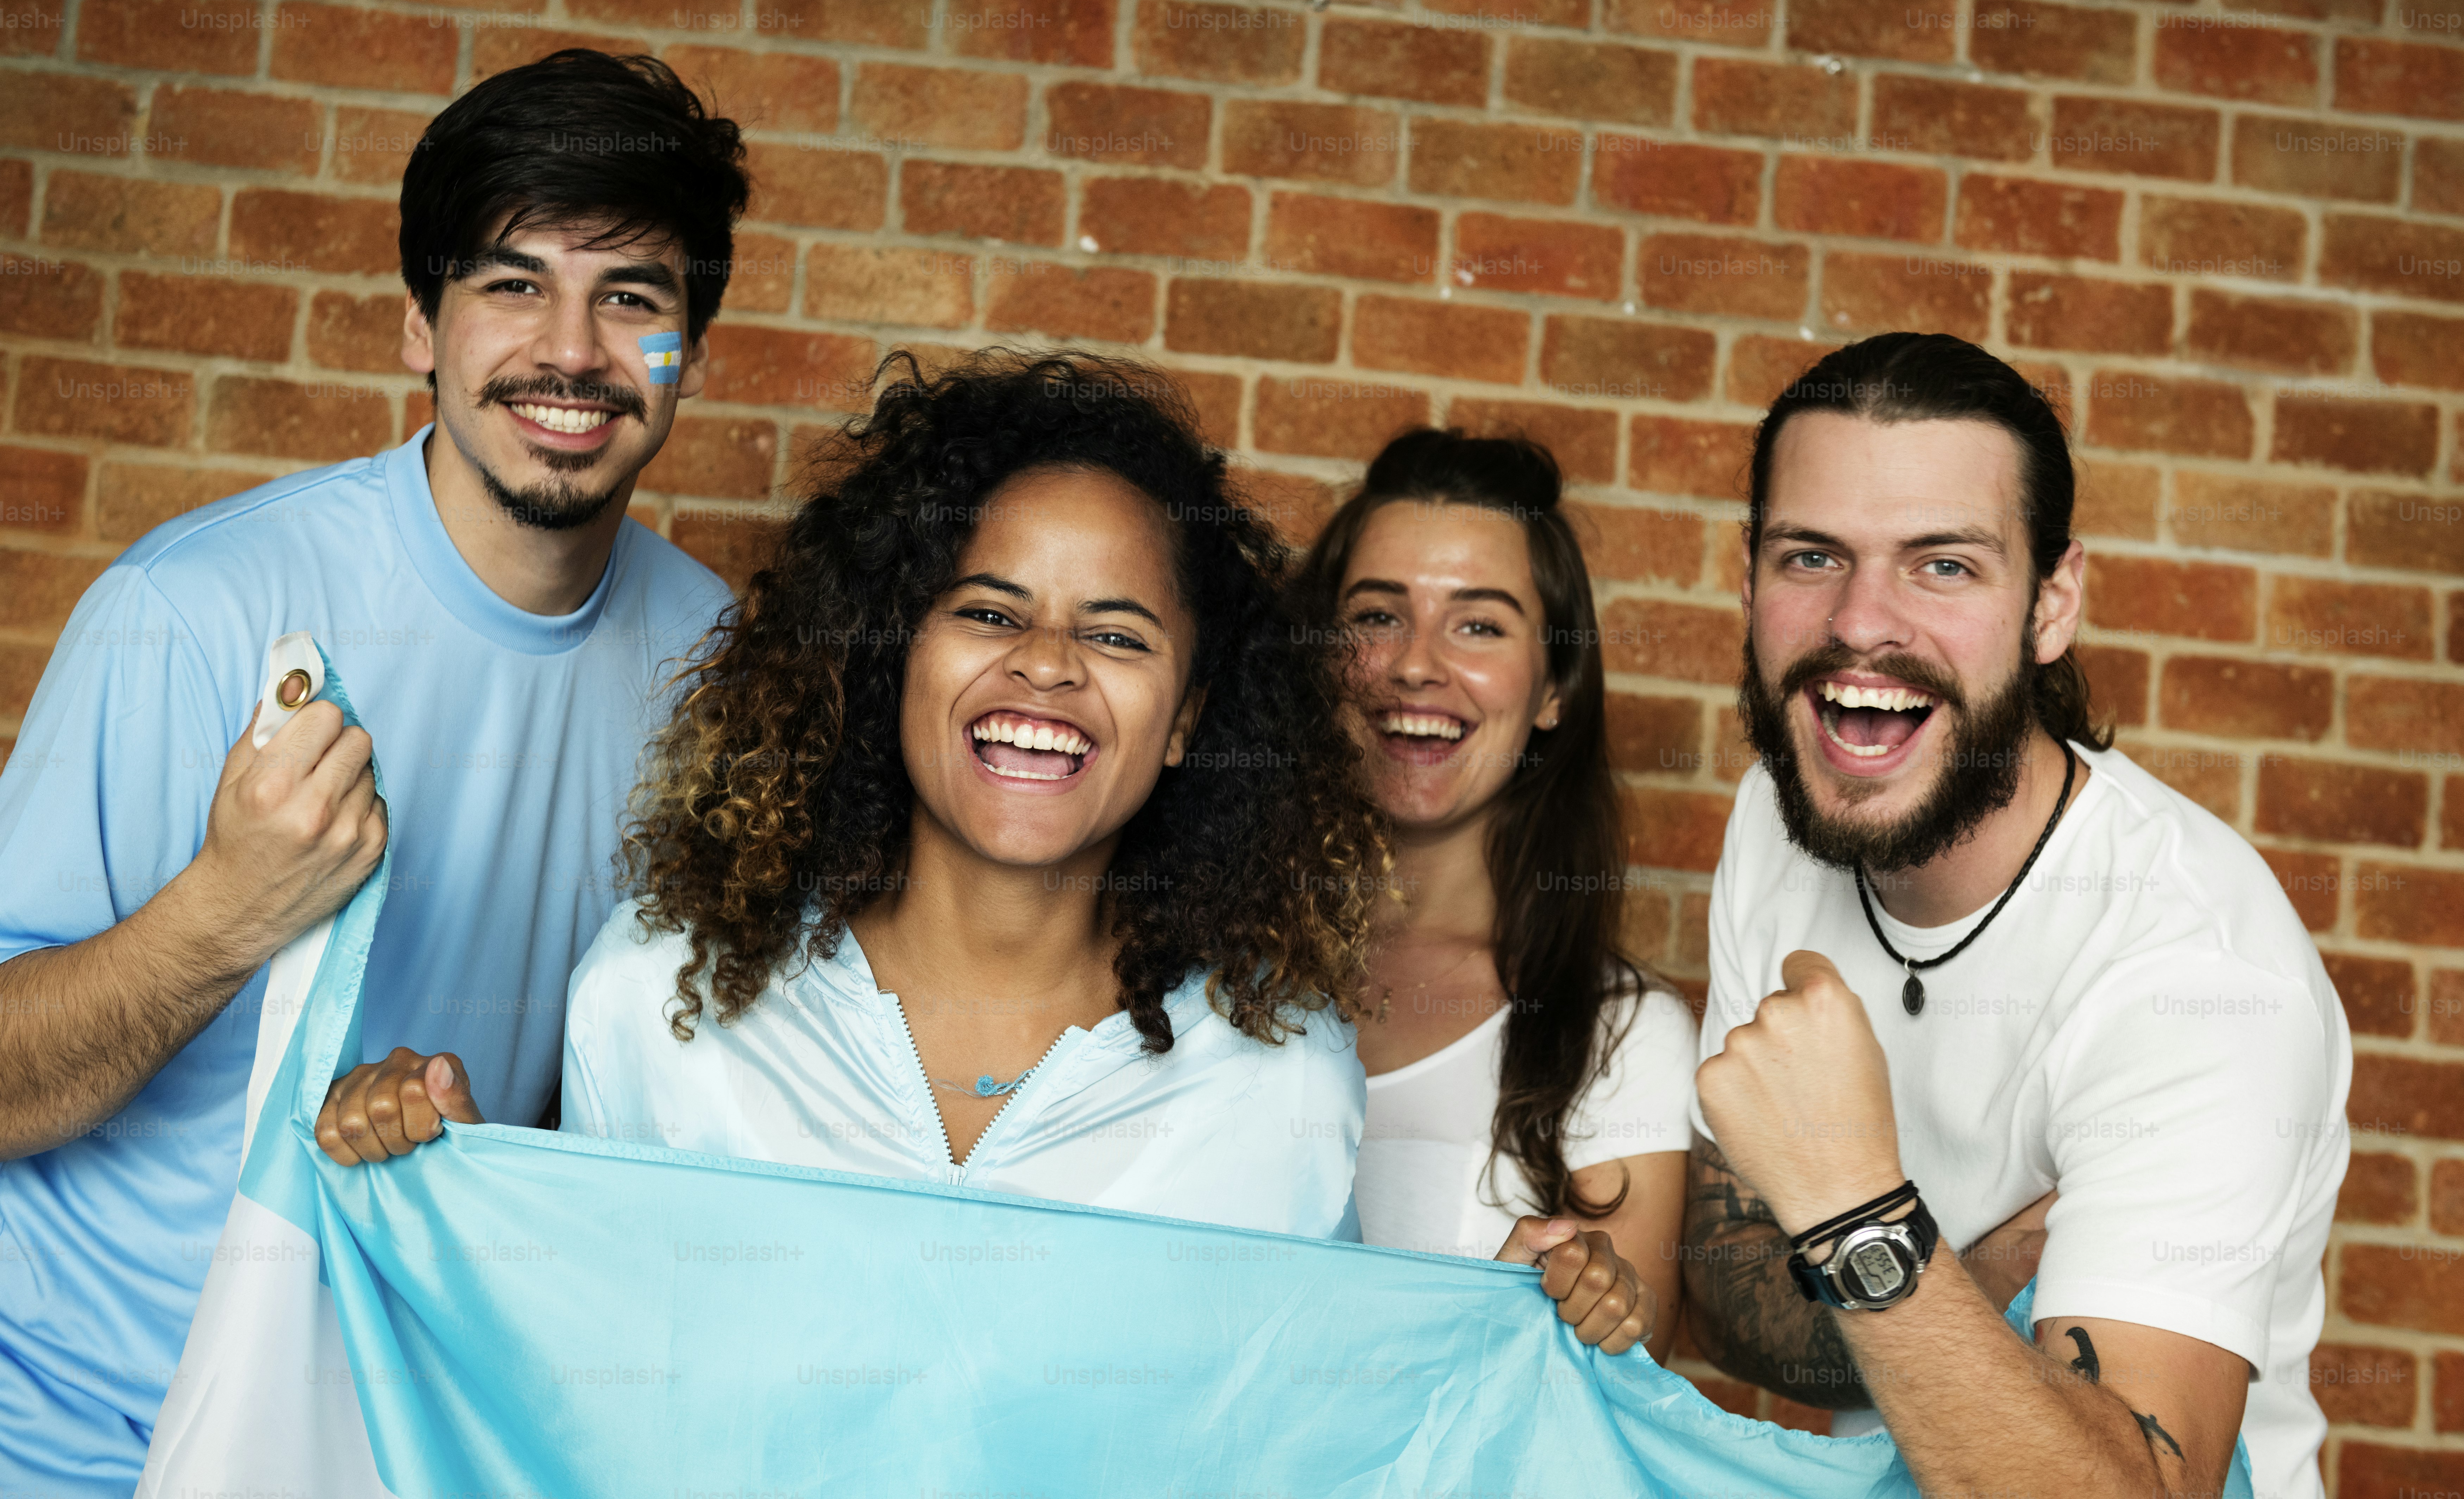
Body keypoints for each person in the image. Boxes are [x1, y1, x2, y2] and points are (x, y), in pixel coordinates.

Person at [318, 352, 1651, 1349]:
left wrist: (1527, 1327)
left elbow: (1308, 1435)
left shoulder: (1277, 1082)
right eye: (990, 609)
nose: (1050, 668)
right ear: (892, 653)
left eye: (1119, 635)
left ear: (1190, 718)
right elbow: (570, 1363)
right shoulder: (658, 996)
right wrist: (451, 1184)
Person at [0, 48, 743, 1495]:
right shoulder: (197, 611)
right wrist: (226, 912)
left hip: (401, 1445)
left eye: (634, 300)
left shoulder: (718, 672)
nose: (575, 352)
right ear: (421, 322)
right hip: (79, 1445)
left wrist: (480, 1152)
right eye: (514, 284)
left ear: (689, 357)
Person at [1683, 333, 2350, 1499]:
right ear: (1748, 578)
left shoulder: (2198, 973)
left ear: (2053, 603)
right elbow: (1731, 1297)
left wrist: (1848, 1202)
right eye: (1811, 557)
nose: (1860, 622)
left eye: (1943, 565)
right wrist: (1986, 1259)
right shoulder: (1776, 818)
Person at [1301, 429, 1692, 1361]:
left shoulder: (1619, 1034)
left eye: (1478, 624)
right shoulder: (1200, 963)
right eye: (1376, 616)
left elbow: (1615, 1393)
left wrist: (1562, 1308)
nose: (1415, 665)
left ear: (1553, 685)